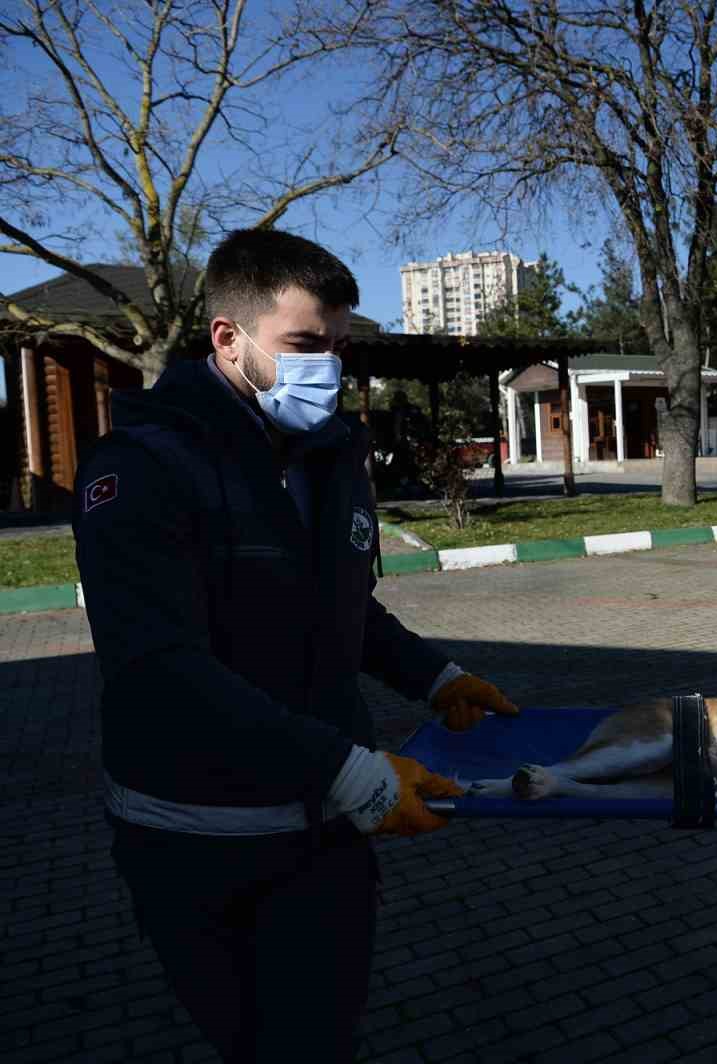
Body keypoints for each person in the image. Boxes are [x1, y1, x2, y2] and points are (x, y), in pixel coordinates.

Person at [72, 229, 520, 1062]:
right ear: (227, 338)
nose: (329, 368)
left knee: (321, 1039)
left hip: (330, 834)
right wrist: (347, 767)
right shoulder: (141, 469)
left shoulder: (330, 454)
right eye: (306, 344)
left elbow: (344, 609)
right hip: (200, 846)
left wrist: (437, 678)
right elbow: (159, 671)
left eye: (341, 348)